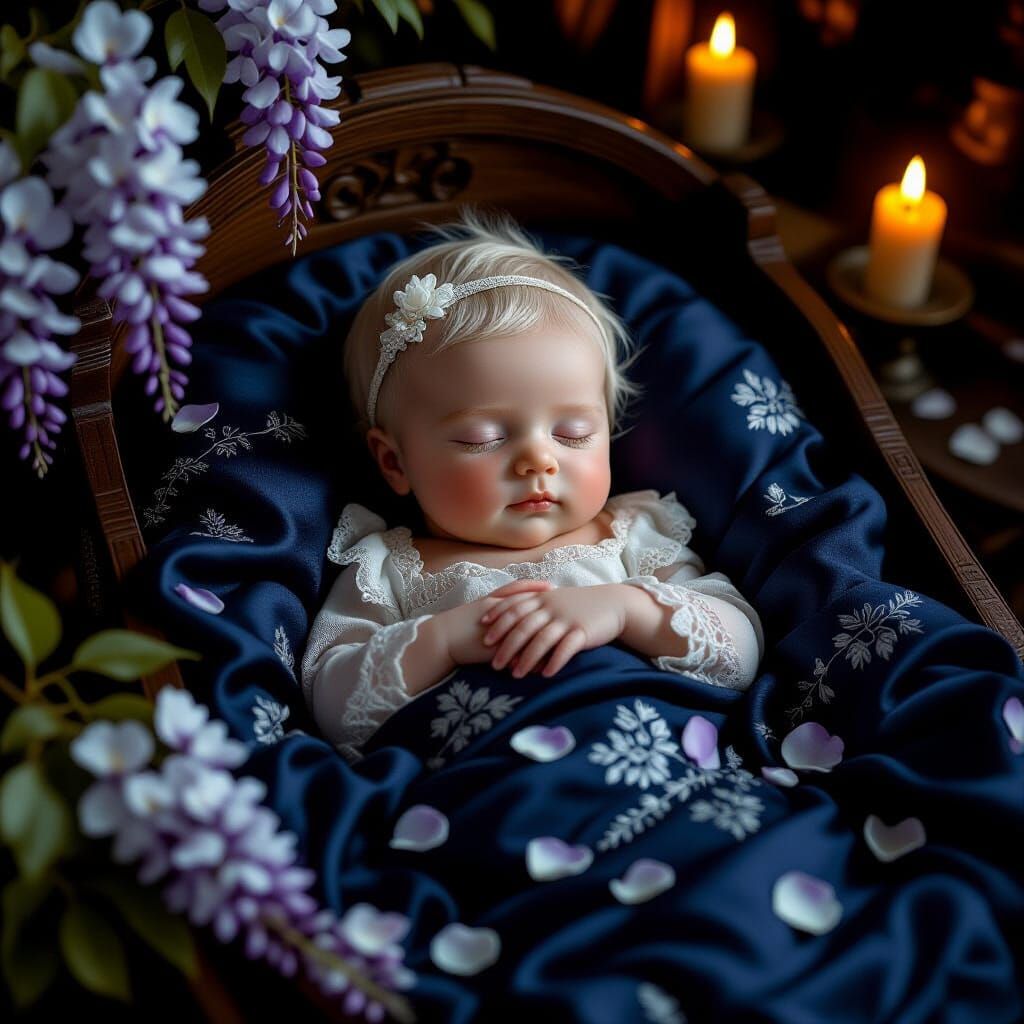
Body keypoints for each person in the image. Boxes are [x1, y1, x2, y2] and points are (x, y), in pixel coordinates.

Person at [301, 210, 764, 763]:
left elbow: (737, 655)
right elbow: (331, 705)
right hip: (492, 797)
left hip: (652, 759)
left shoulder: (631, 534)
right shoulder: (389, 569)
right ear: (394, 462)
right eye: (481, 437)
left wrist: (623, 609)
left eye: (573, 433)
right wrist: (445, 640)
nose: (537, 460)